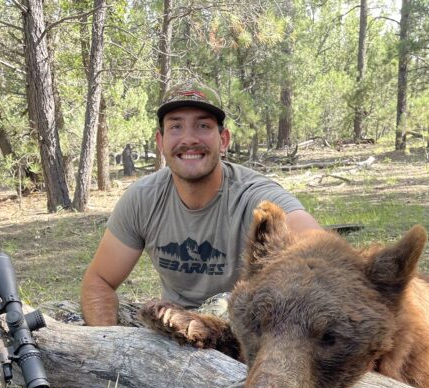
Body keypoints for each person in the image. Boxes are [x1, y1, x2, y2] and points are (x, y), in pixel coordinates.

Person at [81, 83, 322, 326]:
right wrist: (107, 346)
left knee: (228, 304)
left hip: (244, 329)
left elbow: (321, 253)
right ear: (160, 141)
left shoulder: (255, 197)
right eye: (176, 126)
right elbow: (99, 281)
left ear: (223, 140)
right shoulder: (143, 198)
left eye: (203, 126)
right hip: (172, 327)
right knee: (56, 315)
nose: (189, 139)